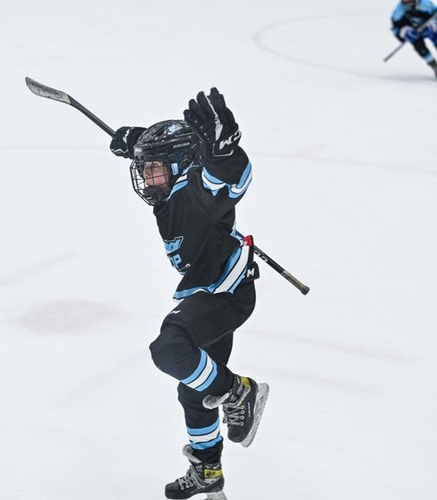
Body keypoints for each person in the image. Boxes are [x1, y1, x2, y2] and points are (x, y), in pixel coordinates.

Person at [109, 88, 269, 500]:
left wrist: (224, 151)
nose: (147, 178)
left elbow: (232, 177)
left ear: (181, 167)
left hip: (225, 293)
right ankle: (208, 471)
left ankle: (240, 392)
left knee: (170, 349)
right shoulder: (174, 186)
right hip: (209, 290)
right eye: (144, 169)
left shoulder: (197, 188)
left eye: (153, 169)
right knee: (195, 387)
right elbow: (176, 157)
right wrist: (138, 142)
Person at [391, 0, 437, 77]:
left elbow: (435, 15)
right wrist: (405, 32)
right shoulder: (398, 11)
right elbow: (396, 29)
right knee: (419, 46)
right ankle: (434, 66)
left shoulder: (426, 4)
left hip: (429, 29)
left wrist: (433, 25)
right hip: (415, 33)